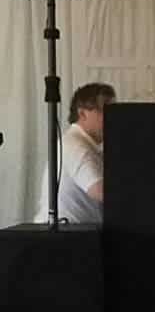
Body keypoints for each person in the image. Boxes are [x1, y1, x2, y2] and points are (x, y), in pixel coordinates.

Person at [37, 82, 116, 225]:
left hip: (73, 235)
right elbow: (101, 191)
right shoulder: (75, 146)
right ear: (83, 113)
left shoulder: (83, 144)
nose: (113, 118)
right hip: (65, 240)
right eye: (106, 110)